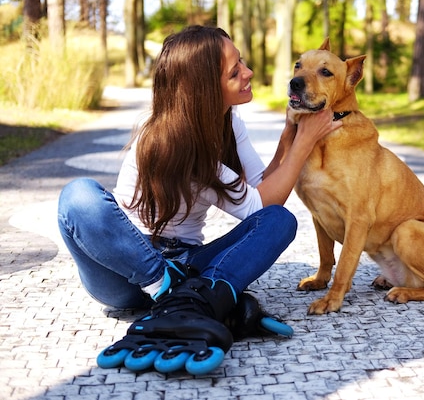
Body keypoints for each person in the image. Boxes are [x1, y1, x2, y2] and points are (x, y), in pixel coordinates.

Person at [57, 25, 340, 374]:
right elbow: (256, 204)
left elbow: (263, 192)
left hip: (188, 260)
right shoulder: (174, 140)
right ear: (206, 89)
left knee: (280, 221)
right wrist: (304, 143)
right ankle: (186, 293)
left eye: (243, 63)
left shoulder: (229, 123)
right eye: (235, 72)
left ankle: (188, 293)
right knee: (78, 196)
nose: (248, 73)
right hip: (124, 270)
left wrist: (289, 134)